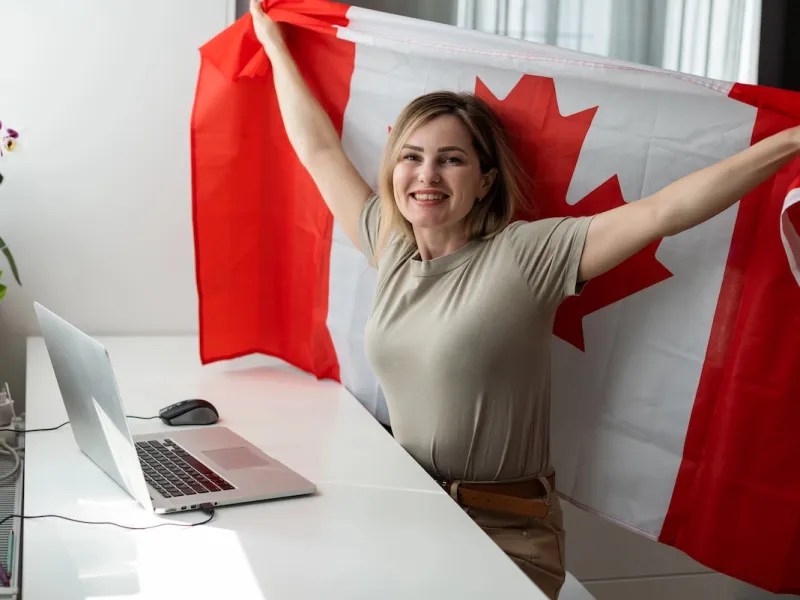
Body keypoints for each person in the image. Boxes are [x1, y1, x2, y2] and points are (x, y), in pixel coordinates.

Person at [249, 1, 800, 597]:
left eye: (451, 159)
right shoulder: (389, 243)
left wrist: (792, 141)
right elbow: (319, 151)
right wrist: (276, 44)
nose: (426, 175)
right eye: (412, 156)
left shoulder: (527, 256)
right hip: (407, 511)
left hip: (506, 529)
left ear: (485, 180)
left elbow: (663, 211)